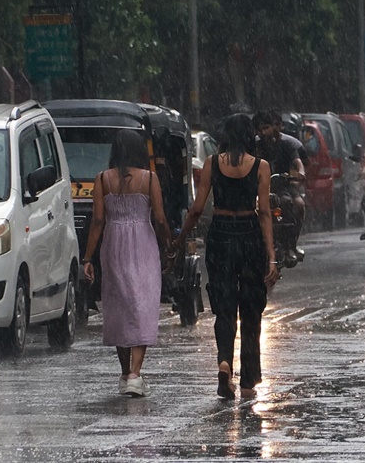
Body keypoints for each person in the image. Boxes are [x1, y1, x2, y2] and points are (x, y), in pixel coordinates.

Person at [173, 114, 279, 399]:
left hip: (220, 234)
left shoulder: (211, 164)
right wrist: (271, 256)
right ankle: (248, 379)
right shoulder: (261, 166)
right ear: (248, 137)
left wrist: (181, 238)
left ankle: (224, 363)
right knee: (251, 306)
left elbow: (196, 209)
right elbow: (266, 212)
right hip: (249, 233)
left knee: (224, 304)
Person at [81, 129, 172, 397]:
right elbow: (160, 217)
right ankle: (135, 373)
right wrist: (169, 243)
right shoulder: (150, 178)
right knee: (142, 304)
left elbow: (97, 220)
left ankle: (125, 372)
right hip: (143, 242)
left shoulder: (102, 179)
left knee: (118, 304)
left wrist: (88, 257)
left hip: (114, 244)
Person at [256, 110, 306, 260]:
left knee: (297, 204)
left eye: (267, 128)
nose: (264, 132)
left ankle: (291, 245)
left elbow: (298, 162)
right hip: (260, 187)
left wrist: (300, 173)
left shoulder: (287, 144)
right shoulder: (255, 144)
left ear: (275, 127)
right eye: (261, 129)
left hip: (283, 185)